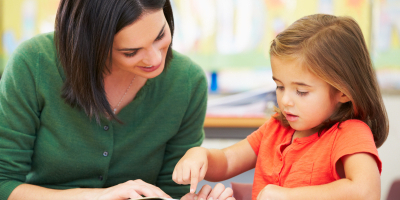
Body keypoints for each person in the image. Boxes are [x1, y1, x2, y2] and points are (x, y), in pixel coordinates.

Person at [0, 0, 234, 199]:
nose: (154, 58)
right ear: (92, 46)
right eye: (131, 52)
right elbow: (4, 183)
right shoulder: (34, 63)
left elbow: (170, 191)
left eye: (160, 35)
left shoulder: (187, 82)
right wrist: (96, 196)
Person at [173, 14, 389, 200]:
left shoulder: (350, 134)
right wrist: (200, 155)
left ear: (342, 91)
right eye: (279, 86)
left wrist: (289, 195)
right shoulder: (275, 128)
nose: (285, 100)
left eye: (301, 91)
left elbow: (366, 191)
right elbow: (228, 161)